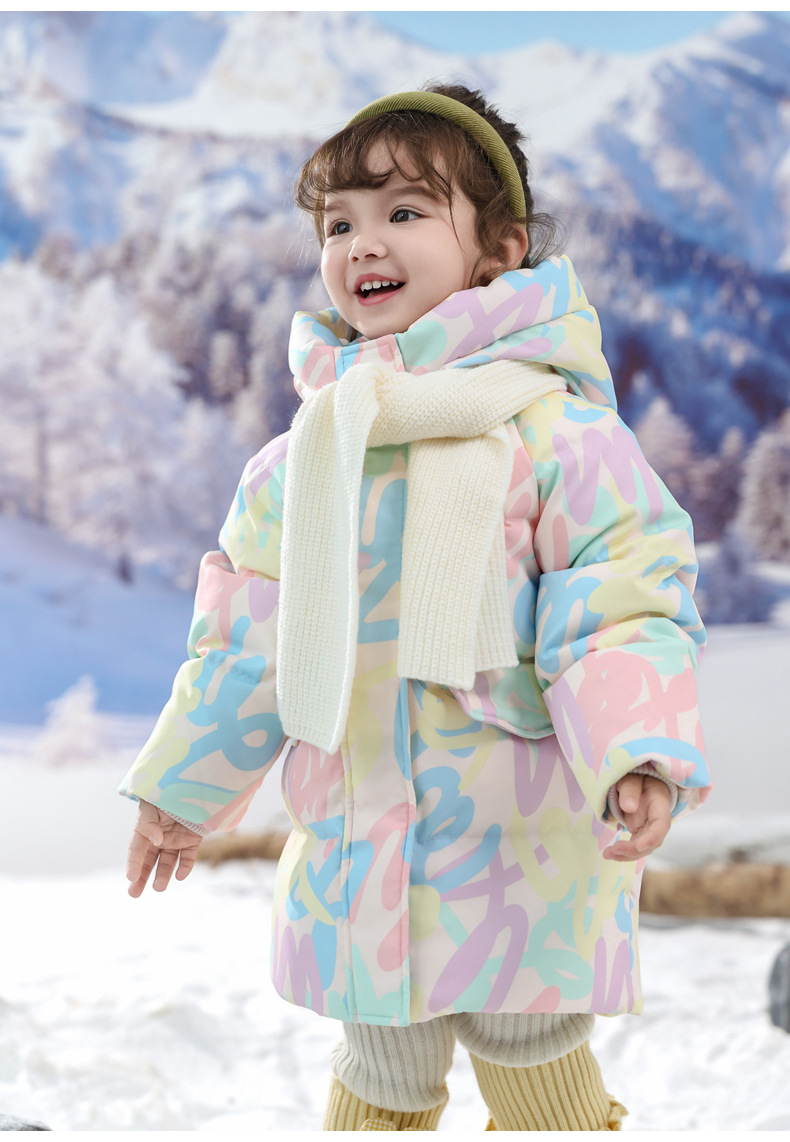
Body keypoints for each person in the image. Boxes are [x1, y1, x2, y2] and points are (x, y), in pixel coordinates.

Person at [121, 84, 710, 1131]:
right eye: (337, 223)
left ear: (499, 249)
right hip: (359, 831)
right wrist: (184, 784)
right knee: (381, 1058)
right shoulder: (305, 456)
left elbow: (621, 603)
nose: (363, 242)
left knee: (530, 1050)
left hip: (521, 835)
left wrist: (637, 748)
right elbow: (246, 644)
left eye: (403, 211)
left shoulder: (555, 436)